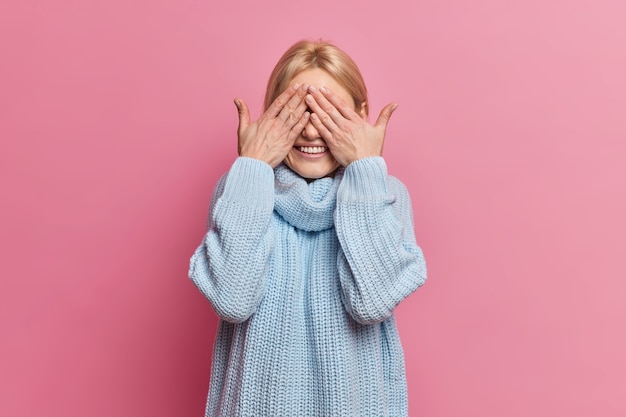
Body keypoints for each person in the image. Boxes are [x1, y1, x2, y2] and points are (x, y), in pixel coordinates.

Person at [188, 39, 427, 417]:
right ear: (271, 115)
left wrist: (365, 170)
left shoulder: (387, 195)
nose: (312, 132)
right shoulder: (242, 188)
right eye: (297, 111)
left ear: (361, 116)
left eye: (329, 112)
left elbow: (373, 302)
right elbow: (231, 300)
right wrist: (252, 168)